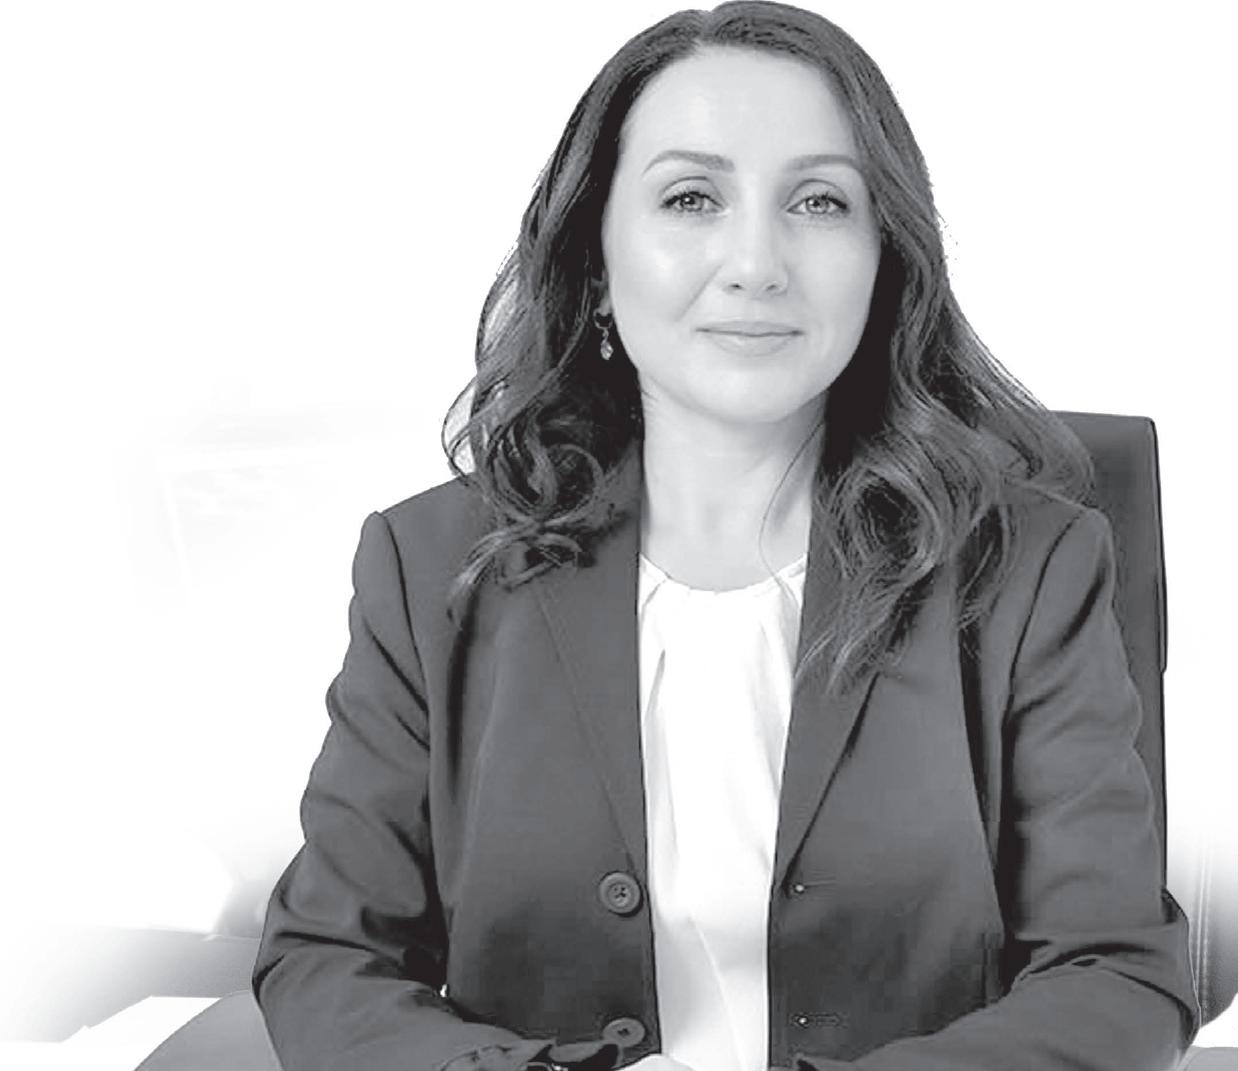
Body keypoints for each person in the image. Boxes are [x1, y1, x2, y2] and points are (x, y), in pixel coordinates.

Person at [251, 3, 1200, 1070]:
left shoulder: (1028, 566)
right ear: (595, 259)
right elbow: (328, 958)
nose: (755, 262)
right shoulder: (430, 567)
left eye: (819, 201)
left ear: (884, 257)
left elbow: (1116, 974)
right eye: (690, 198)